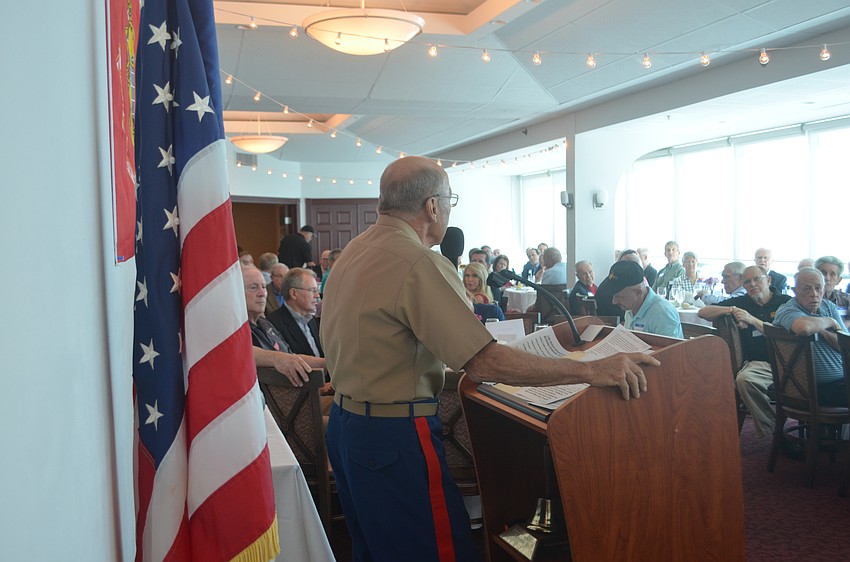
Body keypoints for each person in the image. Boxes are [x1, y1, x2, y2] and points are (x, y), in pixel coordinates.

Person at [320, 156, 657, 562]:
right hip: (395, 435)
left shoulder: (355, 249)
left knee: (375, 551)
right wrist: (591, 369)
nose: (447, 209)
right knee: (437, 552)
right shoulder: (418, 261)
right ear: (431, 206)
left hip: (347, 425)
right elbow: (482, 363)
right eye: (450, 201)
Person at [697, 265, 792, 437]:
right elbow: (703, 312)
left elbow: (786, 334)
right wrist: (732, 310)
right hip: (761, 363)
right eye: (747, 281)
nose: (752, 284)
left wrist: (752, 320)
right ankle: (775, 432)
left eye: (757, 279)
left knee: (819, 374)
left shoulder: (785, 302)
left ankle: (818, 430)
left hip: (789, 362)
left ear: (768, 280)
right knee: (744, 380)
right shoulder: (743, 302)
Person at [774, 267, 847, 406]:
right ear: (795, 291)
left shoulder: (828, 307)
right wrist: (830, 322)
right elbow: (804, 328)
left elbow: (845, 344)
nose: (814, 294)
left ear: (824, 289)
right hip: (813, 390)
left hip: (841, 382)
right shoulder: (787, 309)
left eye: (818, 288)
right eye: (807, 289)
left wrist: (822, 331)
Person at [241, 266, 323, 387]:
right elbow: (241, 352)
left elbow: (292, 358)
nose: (262, 293)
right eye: (253, 288)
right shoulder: (237, 332)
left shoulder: (264, 323)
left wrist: (331, 364)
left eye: (263, 287)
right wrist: (276, 358)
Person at [609, 260, 683, 338]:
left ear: (638, 292)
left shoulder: (663, 313)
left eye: (619, 297)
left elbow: (672, 349)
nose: (614, 301)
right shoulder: (630, 308)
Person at [267, 268, 323, 358]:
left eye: (317, 290)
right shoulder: (274, 324)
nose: (317, 295)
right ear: (293, 293)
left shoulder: (313, 320)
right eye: (312, 290)